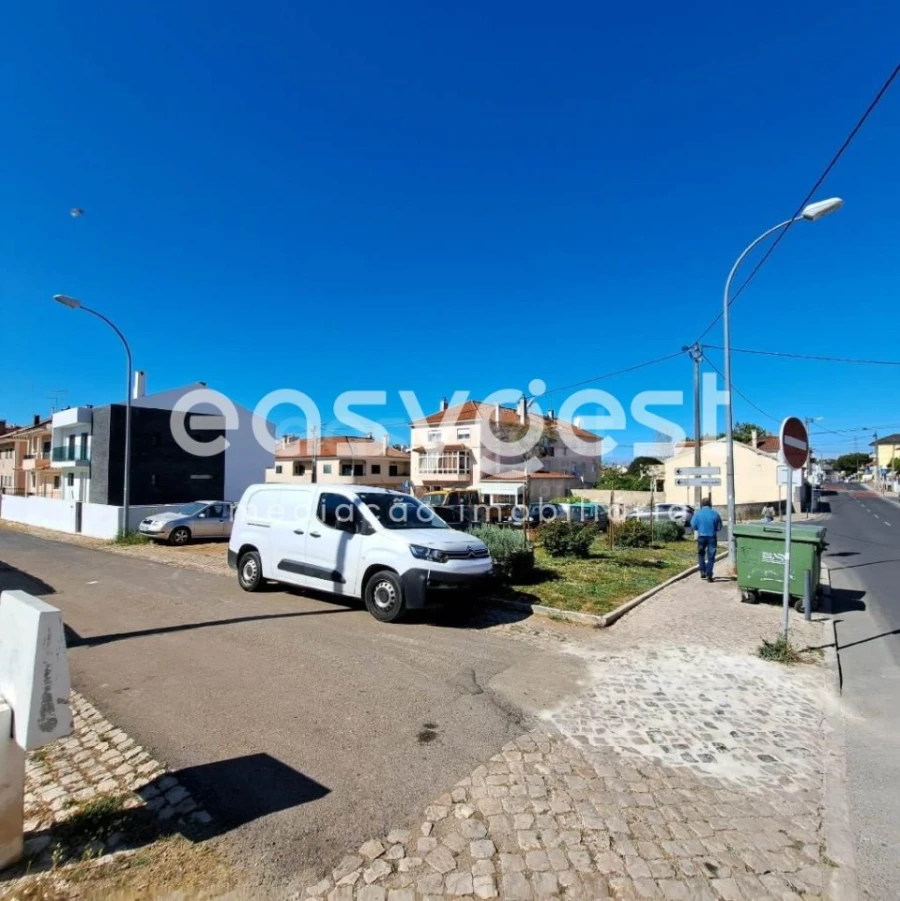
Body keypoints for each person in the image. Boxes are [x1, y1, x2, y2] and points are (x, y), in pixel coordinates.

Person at [691, 497, 723, 582]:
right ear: (710, 504)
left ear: (702, 505)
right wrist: (714, 528)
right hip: (712, 537)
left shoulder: (697, 514)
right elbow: (719, 527)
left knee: (701, 554)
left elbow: (693, 525)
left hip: (701, 536)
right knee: (711, 557)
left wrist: (699, 528)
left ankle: (702, 571)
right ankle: (709, 574)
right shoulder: (715, 514)